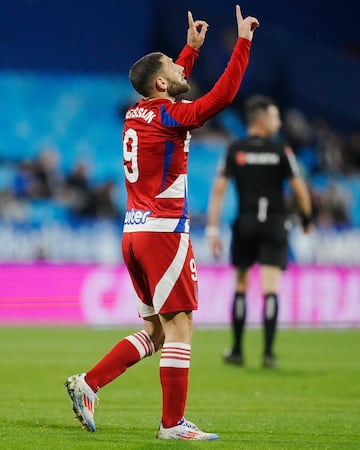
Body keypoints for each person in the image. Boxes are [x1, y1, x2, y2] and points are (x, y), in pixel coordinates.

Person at [65, 5, 259, 441]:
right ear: (160, 83)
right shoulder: (169, 117)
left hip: (134, 232)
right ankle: (172, 425)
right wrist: (242, 44)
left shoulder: (137, 114)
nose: (180, 68)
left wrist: (188, 52)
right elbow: (221, 100)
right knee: (181, 324)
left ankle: (88, 383)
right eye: (173, 66)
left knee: (154, 330)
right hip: (164, 233)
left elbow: (167, 88)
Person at [206, 95, 312, 368]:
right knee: (270, 289)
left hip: (246, 223)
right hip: (275, 223)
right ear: (263, 120)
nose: (279, 122)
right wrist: (306, 219)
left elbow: (219, 189)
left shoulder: (235, 149)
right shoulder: (282, 150)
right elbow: (299, 189)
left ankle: (238, 351)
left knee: (241, 285)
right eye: (276, 117)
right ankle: (267, 353)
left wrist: (213, 229)